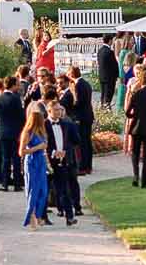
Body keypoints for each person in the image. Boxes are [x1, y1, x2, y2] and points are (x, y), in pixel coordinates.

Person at [44, 96, 81, 225]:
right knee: (45, 190)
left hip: (63, 161)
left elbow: (74, 141)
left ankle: (69, 217)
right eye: (55, 110)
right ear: (49, 111)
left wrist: (66, 150)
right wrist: (53, 152)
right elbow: (42, 143)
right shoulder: (44, 124)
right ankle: (43, 216)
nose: (58, 112)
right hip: (48, 162)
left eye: (59, 109)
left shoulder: (66, 124)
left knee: (64, 190)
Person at [20, 101, 51, 228]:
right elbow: (21, 152)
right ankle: (32, 216)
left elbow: (45, 148)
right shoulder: (27, 133)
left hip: (41, 162)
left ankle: (38, 214)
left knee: (43, 191)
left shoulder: (42, 132)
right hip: (31, 161)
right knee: (32, 190)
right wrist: (37, 147)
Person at [0, 75, 25, 191]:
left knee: (5, 158)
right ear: (12, 85)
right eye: (16, 84)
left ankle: (5, 183)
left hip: (2, 131)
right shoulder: (16, 99)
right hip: (15, 131)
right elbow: (21, 116)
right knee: (16, 158)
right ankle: (17, 183)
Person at [66, 65, 95, 174]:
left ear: (72, 74)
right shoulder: (86, 84)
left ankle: (83, 166)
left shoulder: (78, 86)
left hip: (81, 117)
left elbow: (78, 102)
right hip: (88, 115)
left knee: (82, 142)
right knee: (87, 141)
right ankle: (88, 165)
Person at [95, 37, 119, 110]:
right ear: (110, 40)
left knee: (103, 93)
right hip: (110, 77)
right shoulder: (110, 52)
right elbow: (114, 65)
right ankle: (106, 107)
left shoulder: (100, 50)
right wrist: (117, 75)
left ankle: (103, 106)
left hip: (102, 75)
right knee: (108, 93)